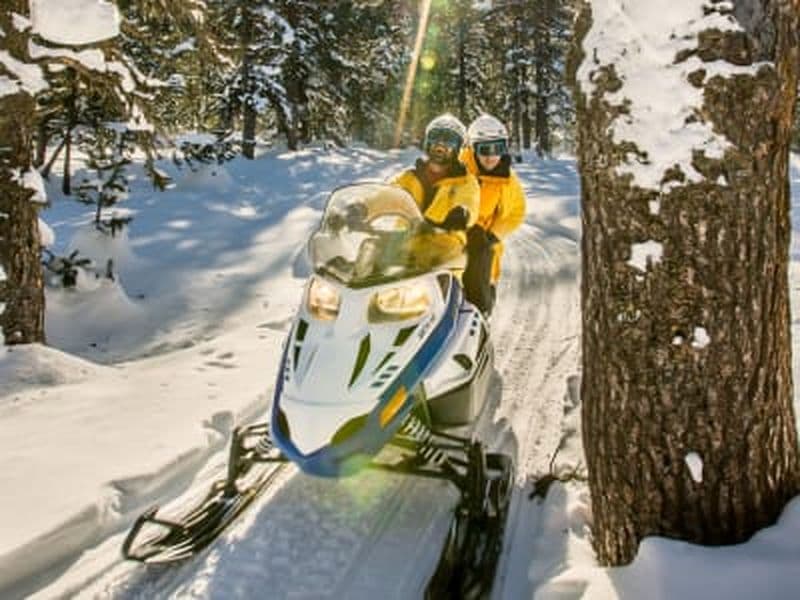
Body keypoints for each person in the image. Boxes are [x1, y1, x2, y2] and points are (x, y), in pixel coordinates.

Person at [391, 113, 481, 287]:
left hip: (443, 250)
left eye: (449, 140)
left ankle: (446, 309)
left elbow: (469, 201)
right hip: (404, 247)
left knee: (440, 276)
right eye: (436, 137)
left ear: (458, 148)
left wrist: (461, 213)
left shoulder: (465, 181)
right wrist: (359, 208)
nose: (440, 145)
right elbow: (386, 195)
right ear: (427, 142)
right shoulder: (409, 178)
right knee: (369, 248)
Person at [459, 114, 526, 315]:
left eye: (497, 149)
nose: (491, 157)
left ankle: (481, 317)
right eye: (484, 150)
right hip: (453, 239)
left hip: (482, 249)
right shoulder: (458, 169)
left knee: (478, 301)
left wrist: (492, 236)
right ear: (472, 148)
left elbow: (516, 212)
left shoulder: (507, 180)